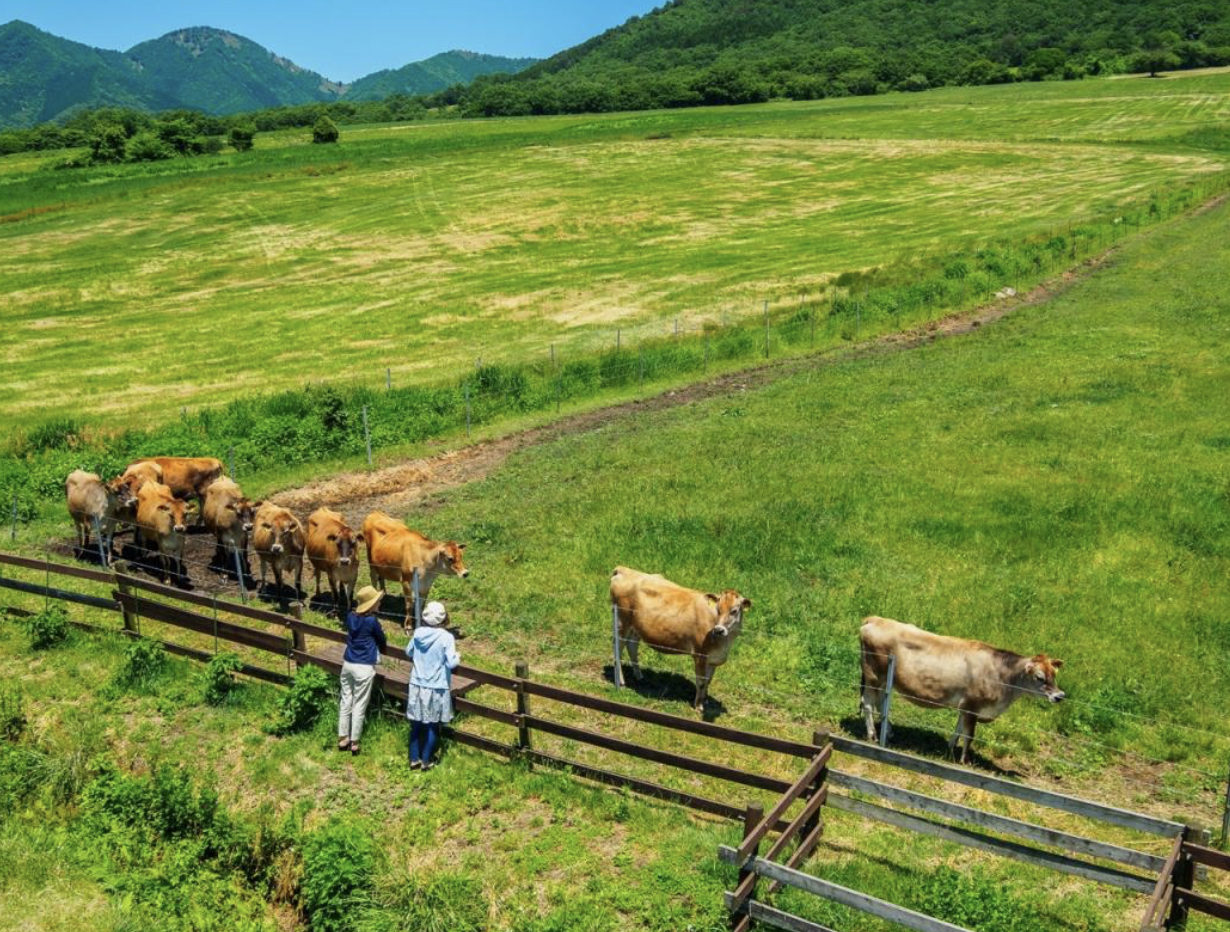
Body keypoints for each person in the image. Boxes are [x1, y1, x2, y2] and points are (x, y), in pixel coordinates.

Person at [406, 600, 460, 771]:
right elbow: (451, 663)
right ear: (444, 618)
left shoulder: (418, 633)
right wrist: (458, 656)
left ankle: (414, 758)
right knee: (432, 724)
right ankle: (427, 760)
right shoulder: (446, 637)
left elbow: (408, 651)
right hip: (437, 686)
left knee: (416, 722)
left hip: (417, 684)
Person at [338, 585, 387, 756]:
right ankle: (355, 741)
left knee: (346, 700)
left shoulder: (350, 617)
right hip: (364, 665)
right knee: (359, 704)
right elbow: (382, 639)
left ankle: (342, 737)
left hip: (348, 663)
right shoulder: (371, 621)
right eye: (377, 602)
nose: (379, 604)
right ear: (371, 605)